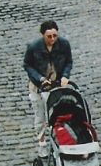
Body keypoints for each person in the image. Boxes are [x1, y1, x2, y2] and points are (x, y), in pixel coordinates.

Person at [23, 20, 73, 157]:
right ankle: (42, 143)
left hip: (56, 85)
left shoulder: (63, 45)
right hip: (38, 87)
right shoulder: (34, 47)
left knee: (56, 115)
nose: (52, 39)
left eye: (54, 36)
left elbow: (68, 62)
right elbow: (27, 65)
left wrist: (65, 76)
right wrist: (40, 79)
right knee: (40, 117)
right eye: (49, 36)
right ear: (42, 35)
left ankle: (59, 141)